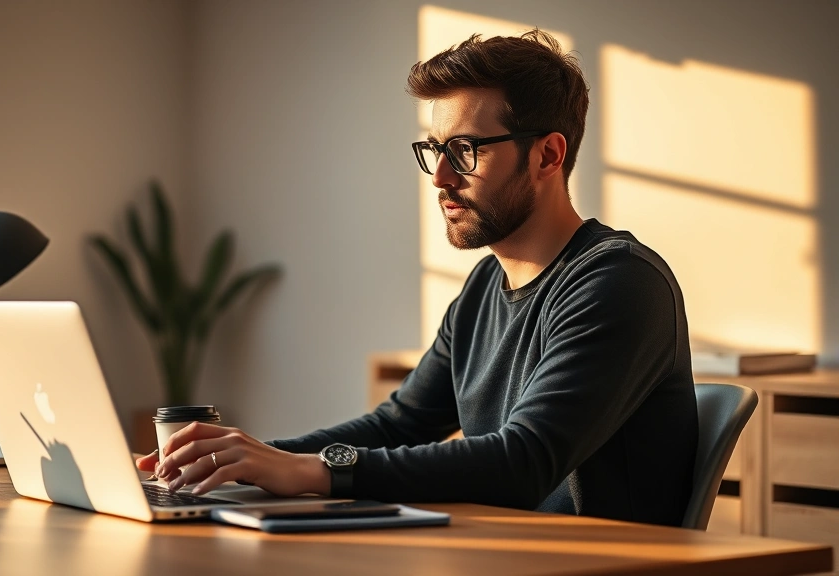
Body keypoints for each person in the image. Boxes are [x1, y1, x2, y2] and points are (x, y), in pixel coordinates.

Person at [136, 30, 697, 527]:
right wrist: (240, 461)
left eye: (466, 150)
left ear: (548, 155)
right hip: (502, 554)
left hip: (601, 564)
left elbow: (524, 460)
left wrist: (310, 471)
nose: (442, 178)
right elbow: (399, 423)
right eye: (436, 151)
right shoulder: (484, 287)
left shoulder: (619, 282)